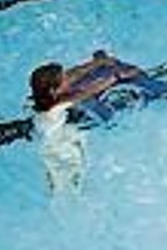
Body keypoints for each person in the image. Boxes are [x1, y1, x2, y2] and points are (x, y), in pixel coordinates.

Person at [29, 51, 142, 193]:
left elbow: (73, 74)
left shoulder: (43, 96)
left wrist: (97, 63)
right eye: (63, 79)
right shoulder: (61, 104)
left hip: (51, 139)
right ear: (53, 91)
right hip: (61, 146)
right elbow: (90, 91)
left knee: (59, 181)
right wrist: (118, 76)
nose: (67, 78)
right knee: (70, 184)